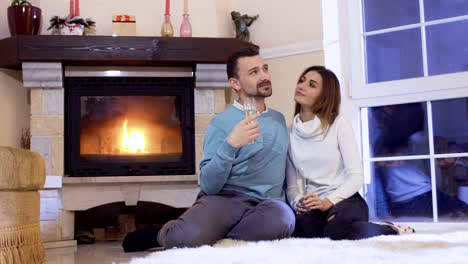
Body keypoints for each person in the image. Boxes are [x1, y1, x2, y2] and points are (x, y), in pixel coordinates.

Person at [122, 46, 295, 252]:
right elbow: (209, 185)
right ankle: (162, 234)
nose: (264, 76)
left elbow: (284, 171)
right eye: (254, 72)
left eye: (265, 69)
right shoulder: (221, 123)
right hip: (225, 199)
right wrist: (231, 144)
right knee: (186, 236)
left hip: (267, 205)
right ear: (235, 83)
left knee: (283, 220)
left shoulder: (279, 120)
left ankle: (216, 234)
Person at [286, 66, 413, 240]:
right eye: (302, 80)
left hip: (345, 199)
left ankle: (390, 230)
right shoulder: (289, 133)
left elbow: (356, 176)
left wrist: (327, 202)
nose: (301, 86)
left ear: (324, 95)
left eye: (311, 84)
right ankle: (346, 226)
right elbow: (292, 186)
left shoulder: (338, 124)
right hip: (315, 204)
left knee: (336, 230)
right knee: (298, 231)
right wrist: (298, 202)